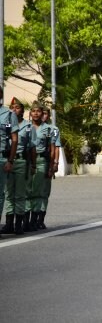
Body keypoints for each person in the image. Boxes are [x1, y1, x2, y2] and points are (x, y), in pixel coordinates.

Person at [1, 98, 34, 236]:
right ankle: (9, 224)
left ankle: (19, 224)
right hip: (8, 158)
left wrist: (32, 164)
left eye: (18, 107)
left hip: (20, 161)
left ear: (22, 110)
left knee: (20, 194)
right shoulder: (9, 121)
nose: (15, 109)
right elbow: (8, 135)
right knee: (8, 193)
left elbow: (32, 147)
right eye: (13, 107)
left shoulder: (28, 126)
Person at [26, 101, 54, 231]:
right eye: (33, 111)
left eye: (38, 111)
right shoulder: (25, 126)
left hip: (41, 160)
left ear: (43, 114)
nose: (36, 113)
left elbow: (53, 148)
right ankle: (24, 220)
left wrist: (52, 166)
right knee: (25, 191)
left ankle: (35, 220)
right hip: (27, 161)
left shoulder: (50, 129)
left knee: (37, 192)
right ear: (30, 113)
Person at [0, 90, 20, 238]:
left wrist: (10, 160)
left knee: (0, 195)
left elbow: (14, 139)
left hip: (1, 159)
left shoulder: (8, 115)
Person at [39, 105, 61, 229]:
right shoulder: (30, 127)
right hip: (33, 161)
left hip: (47, 161)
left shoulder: (53, 129)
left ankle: (41, 218)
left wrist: (55, 163)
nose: (43, 116)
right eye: (42, 113)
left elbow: (56, 147)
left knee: (44, 191)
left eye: (46, 114)